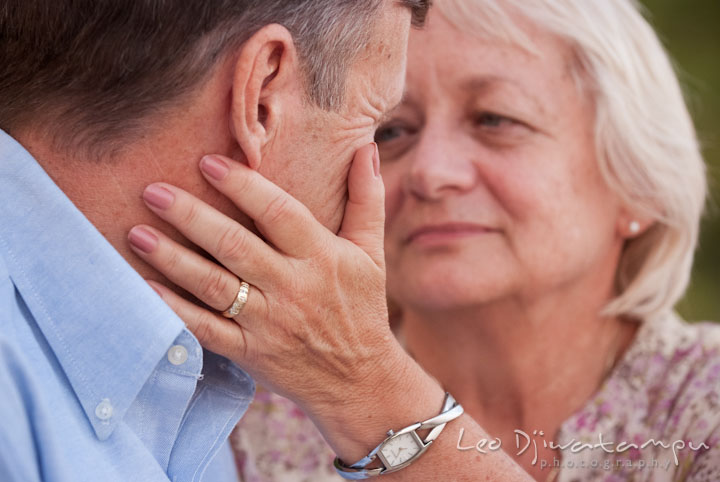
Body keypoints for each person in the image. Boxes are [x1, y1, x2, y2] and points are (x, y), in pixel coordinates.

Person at [149, 0, 720, 481]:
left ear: (637, 184)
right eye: (392, 131)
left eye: (495, 120)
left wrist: (365, 385)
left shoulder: (704, 404)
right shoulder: (244, 412)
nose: (431, 171)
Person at [0, 1, 433, 481]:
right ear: (261, 99)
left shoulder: (178, 363)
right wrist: (370, 382)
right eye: (374, 124)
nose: (383, 192)